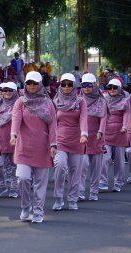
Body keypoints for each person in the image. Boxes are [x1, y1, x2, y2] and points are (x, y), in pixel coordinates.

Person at [10, 71, 57, 223]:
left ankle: (38, 211)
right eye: (29, 83)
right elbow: (16, 119)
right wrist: (13, 134)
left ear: (40, 85)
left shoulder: (48, 103)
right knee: (23, 178)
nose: (31, 86)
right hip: (23, 147)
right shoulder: (20, 101)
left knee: (40, 183)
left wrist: (53, 144)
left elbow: (53, 125)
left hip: (42, 148)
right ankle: (25, 207)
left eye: (34, 83)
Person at [52, 73, 88, 211]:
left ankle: (73, 199)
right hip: (60, 138)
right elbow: (52, 122)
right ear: (60, 85)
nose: (66, 87)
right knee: (60, 166)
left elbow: (84, 118)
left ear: (74, 86)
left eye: (69, 85)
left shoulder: (80, 101)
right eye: (63, 84)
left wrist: (84, 134)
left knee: (75, 170)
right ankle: (58, 198)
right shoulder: (55, 101)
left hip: (77, 139)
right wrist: (51, 141)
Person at [78, 73, 107, 201]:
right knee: (82, 166)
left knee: (96, 168)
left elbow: (104, 118)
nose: (86, 87)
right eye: (84, 85)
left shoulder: (101, 100)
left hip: (96, 137)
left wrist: (101, 131)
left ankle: (94, 192)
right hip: (82, 138)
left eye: (89, 85)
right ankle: (80, 191)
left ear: (94, 85)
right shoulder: (78, 99)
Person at [100, 79, 129, 192]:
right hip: (106, 131)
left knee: (119, 160)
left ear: (120, 88)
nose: (112, 90)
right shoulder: (103, 99)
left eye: (114, 87)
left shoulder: (125, 101)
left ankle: (119, 182)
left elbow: (127, 115)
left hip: (120, 132)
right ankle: (102, 181)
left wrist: (125, 127)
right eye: (110, 87)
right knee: (105, 158)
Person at [0, 82, 19, 198]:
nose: (7, 93)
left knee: (14, 165)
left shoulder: (19, 104)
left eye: (10, 90)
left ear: (14, 92)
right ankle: (1, 186)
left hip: (15, 139)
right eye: (5, 90)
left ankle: (14, 188)